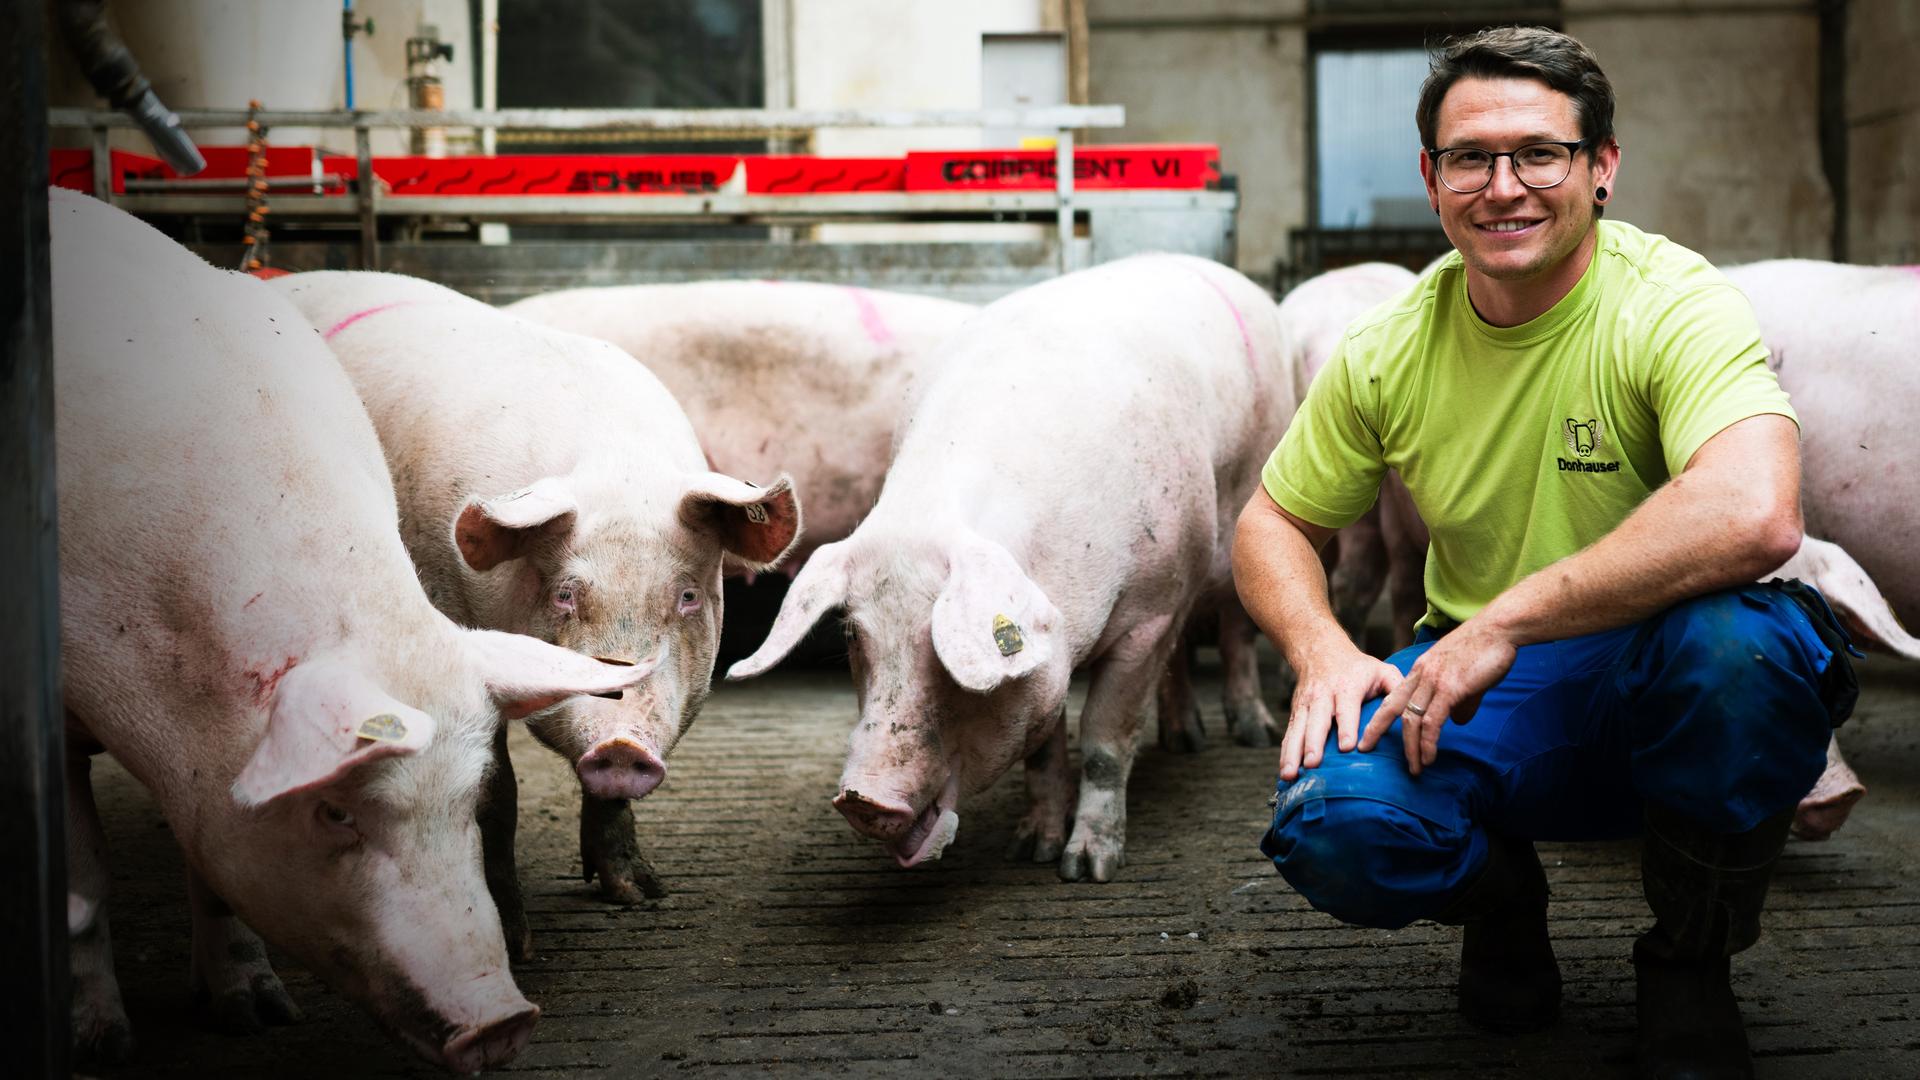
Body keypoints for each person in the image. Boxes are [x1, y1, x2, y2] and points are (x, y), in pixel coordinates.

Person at [1233, 25, 1856, 1080]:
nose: (1504, 186)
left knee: (1744, 656)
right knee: (1335, 829)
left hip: (1664, 669)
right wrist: (1322, 649)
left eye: (1540, 153)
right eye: (1470, 158)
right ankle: (1501, 898)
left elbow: (1758, 512)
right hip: (1481, 693)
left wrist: (1506, 619)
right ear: (1432, 180)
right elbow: (1271, 521)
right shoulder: (1389, 345)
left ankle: (1690, 965)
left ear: (1601, 166)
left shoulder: (1672, 301)